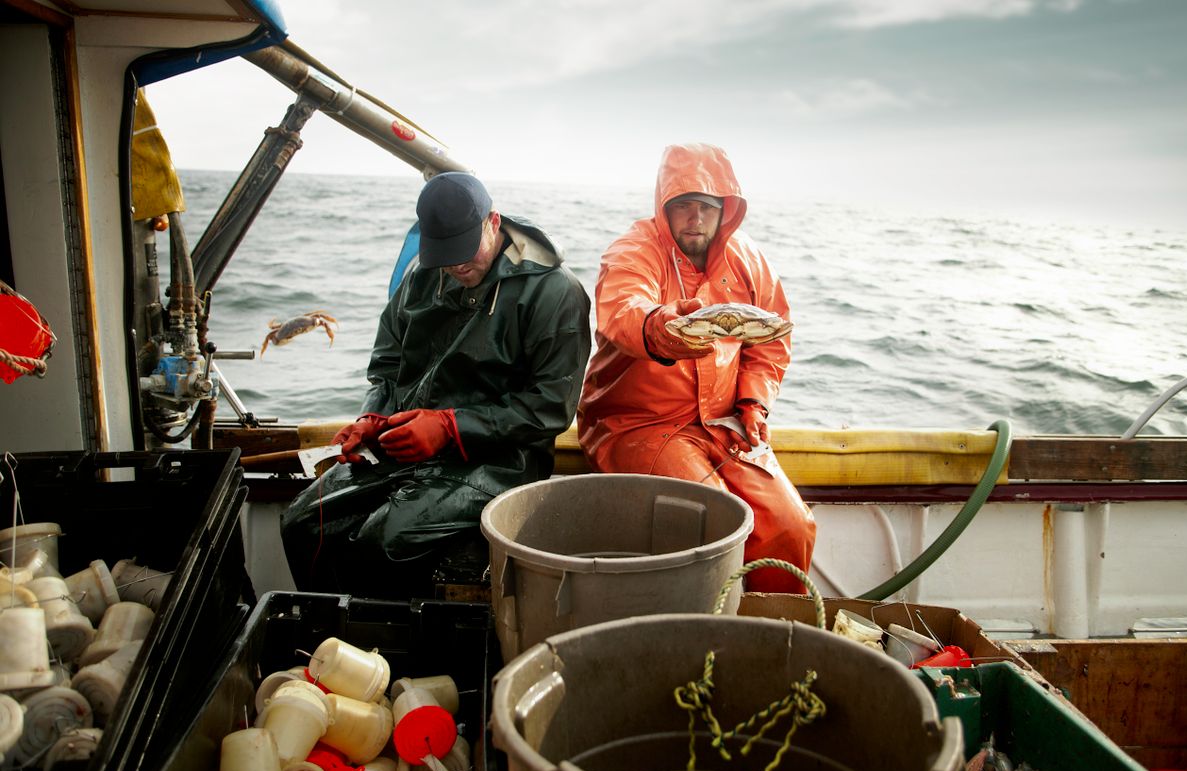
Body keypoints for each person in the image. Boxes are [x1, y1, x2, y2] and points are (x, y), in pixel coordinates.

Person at [281, 172, 592, 598]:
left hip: (502, 459)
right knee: (302, 522)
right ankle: (328, 633)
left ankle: (384, 640)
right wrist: (373, 417)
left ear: (493, 222)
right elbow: (387, 363)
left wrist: (450, 426)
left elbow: (551, 406)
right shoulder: (421, 273)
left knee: (384, 541)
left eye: (465, 251)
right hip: (407, 445)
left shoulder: (556, 292)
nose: (457, 266)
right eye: (445, 255)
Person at [575, 143, 816, 593]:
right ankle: (704, 628)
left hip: (723, 424)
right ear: (664, 206)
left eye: (706, 207)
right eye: (683, 205)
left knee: (790, 525)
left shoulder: (748, 260)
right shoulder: (634, 249)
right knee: (714, 519)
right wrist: (662, 328)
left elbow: (771, 339)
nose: (695, 218)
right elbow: (623, 310)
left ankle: (771, 625)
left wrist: (754, 403)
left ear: (726, 210)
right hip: (638, 423)